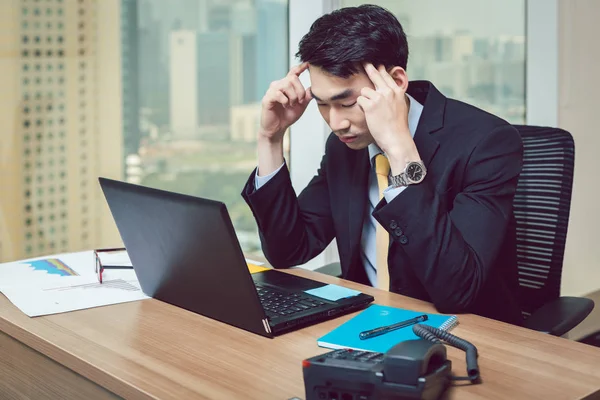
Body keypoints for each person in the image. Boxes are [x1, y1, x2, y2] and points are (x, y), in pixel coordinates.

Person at [241, 4, 523, 325]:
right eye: (322, 104)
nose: (336, 123)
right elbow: (288, 251)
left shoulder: (486, 143)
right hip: (366, 322)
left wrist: (399, 148)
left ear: (396, 81)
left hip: (466, 331)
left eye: (347, 103)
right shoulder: (345, 145)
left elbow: (457, 291)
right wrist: (270, 138)